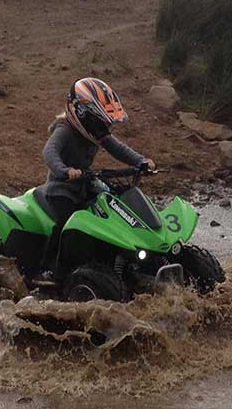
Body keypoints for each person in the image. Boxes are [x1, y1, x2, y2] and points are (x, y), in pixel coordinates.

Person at [41, 77, 154, 269]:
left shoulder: (96, 133)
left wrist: (141, 161)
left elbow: (118, 148)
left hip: (86, 186)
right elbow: (49, 152)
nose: (104, 129)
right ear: (82, 114)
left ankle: (113, 259)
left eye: (105, 124)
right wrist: (65, 170)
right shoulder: (64, 130)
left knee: (111, 211)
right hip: (61, 189)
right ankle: (50, 268)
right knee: (66, 225)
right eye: (100, 123)